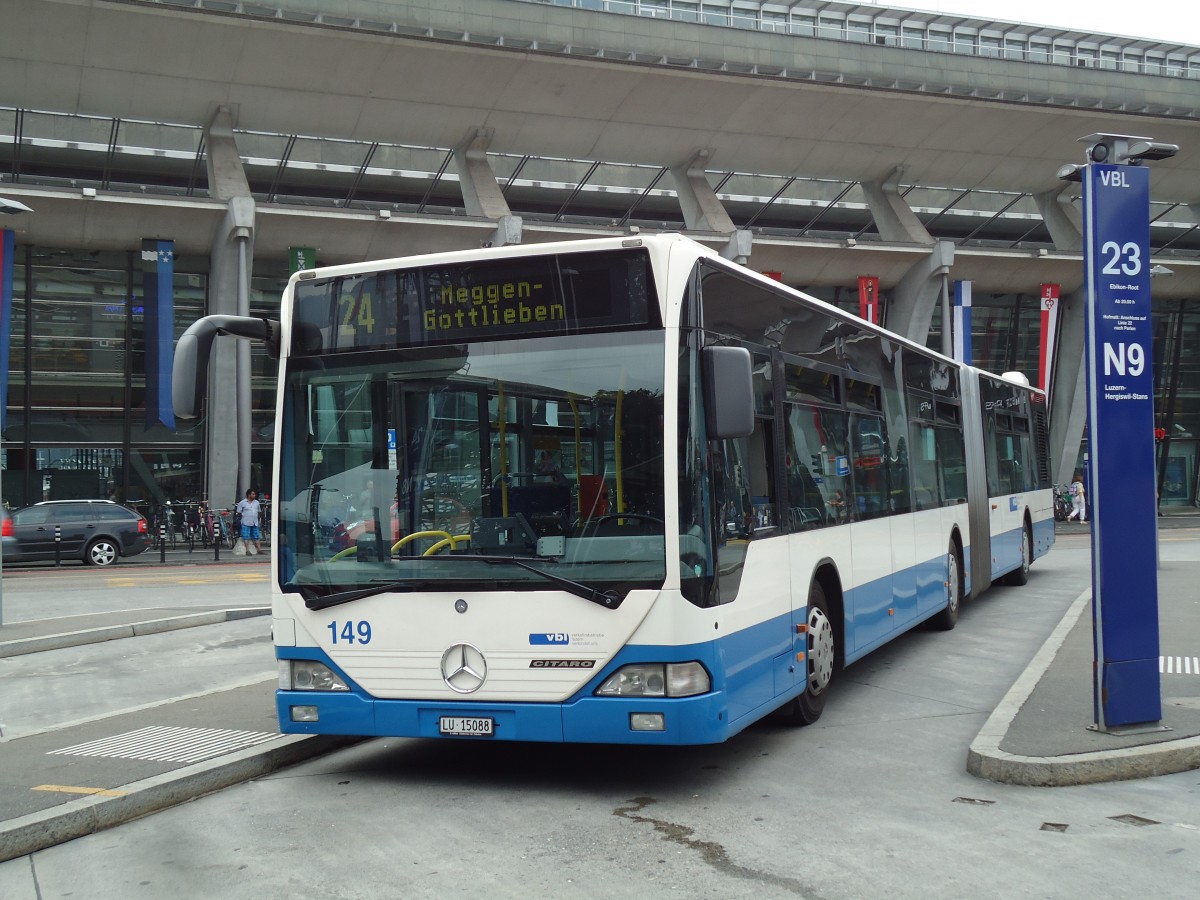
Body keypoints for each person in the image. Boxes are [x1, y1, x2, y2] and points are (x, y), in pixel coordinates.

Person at [236, 488, 263, 554]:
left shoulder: (256, 502)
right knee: (246, 536)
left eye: (254, 494)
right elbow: (238, 512)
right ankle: (247, 550)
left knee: (256, 536)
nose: (254, 495)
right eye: (253, 494)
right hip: (246, 522)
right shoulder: (242, 503)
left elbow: (259, 511)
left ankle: (259, 550)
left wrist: (258, 518)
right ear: (249, 495)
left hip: (255, 522)